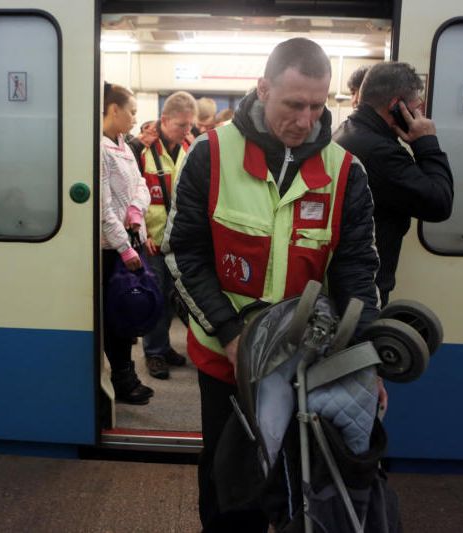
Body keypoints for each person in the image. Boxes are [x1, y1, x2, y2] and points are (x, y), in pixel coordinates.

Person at [161, 38, 380, 532]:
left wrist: (364, 362)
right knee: (229, 482)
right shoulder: (210, 155)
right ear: (263, 89)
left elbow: (357, 274)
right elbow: (181, 253)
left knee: (299, 486)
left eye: (317, 106)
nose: (305, 121)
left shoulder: (346, 172)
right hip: (227, 359)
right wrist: (232, 334)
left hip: (308, 366)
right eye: (293, 104)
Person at [334, 62, 453, 305]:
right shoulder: (381, 153)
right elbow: (439, 203)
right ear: (396, 105)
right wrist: (426, 142)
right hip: (365, 288)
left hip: (349, 282)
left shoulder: (348, 132)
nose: (419, 115)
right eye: (415, 107)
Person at [135, 91, 197, 380]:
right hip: (153, 240)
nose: (187, 130)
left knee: (175, 298)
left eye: (189, 125)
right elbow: (131, 196)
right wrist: (141, 233)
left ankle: (164, 346)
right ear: (164, 120)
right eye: (181, 125)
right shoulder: (142, 149)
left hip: (179, 240)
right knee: (156, 297)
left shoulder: (189, 146)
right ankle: (154, 353)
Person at [100, 83, 154, 405]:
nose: (135, 118)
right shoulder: (100, 150)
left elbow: (142, 185)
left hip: (131, 239)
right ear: (114, 109)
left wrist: (137, 209)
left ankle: (126, 375)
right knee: (117, 316)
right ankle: (123, 380)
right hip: (112, 249)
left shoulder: (126, 145)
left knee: (128, 311)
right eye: (132, 111)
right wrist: (124, 247)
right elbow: (103, 209)